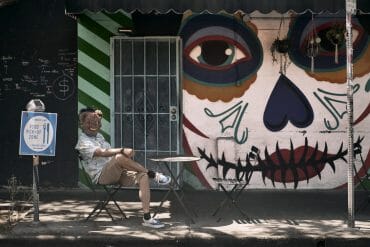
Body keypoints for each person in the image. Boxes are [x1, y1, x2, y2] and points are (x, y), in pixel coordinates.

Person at [75, 107, 171, 228]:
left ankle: (147, 218)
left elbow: (110, 155)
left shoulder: (99, 137)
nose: (93, 124)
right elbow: (102, 152)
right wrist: (122, 151)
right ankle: (155, 175)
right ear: (82, 124)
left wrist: (125, 155)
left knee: (143, 176)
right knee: (119, 157)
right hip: (101, 176)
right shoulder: (82, 142)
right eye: (88, 122)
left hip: (117, 172)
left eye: (95, 121)